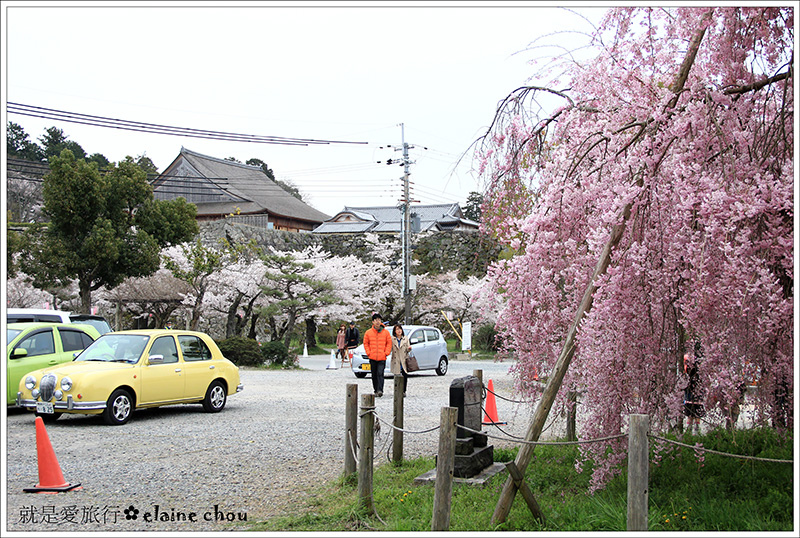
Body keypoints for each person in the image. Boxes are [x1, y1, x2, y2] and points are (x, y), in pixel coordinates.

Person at [363, 312, 391, 397]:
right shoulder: (368, 332)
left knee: (380, 373)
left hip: (382, 357)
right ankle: (375, 389)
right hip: (372, 356)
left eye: (379, 320)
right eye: (375, 320)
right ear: (373, 322)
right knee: (374, 374)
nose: (377, 322)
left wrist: (386, 353)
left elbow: (389, 343)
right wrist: (369, 352)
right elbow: (365, 343)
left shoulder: (385, 332)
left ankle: (380, 390)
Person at [683, 353, 705, 434]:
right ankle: (696, 428)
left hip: (691, 394)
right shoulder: (699, 375)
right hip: (696, 395)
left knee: (691, 414)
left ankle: (691, 428)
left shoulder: (689, 375)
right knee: (696, 414)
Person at [390, 324, 412, 397]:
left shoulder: (405, 338)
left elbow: (408, 348)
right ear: (394, 331)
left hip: (403, 359)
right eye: (397, 329)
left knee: (405, 376)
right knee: (396, 376)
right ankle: (397, 390)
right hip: (396, 359)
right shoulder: (392, 339)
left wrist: (409, 349)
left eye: (400, 329)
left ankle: (403, 391)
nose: (399, 331)